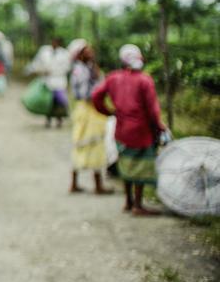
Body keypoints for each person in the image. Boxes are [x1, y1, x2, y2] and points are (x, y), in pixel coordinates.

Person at [91, 44, 169, 216]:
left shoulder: (113, 77)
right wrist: (158, 125)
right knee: (139, 167)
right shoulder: (144, 80)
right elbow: (153, 109)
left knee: (126, 164)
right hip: (141, 131)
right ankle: (138, 205)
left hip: (122, 129)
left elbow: (96, 96)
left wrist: (108, 112)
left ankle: (128, 201)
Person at [66, 39, 112, 195]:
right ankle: (93, 185)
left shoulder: (88, 68)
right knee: (88, 142)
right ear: (79, 54)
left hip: (91, 109)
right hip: (88, 109)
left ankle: (83, 183)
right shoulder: (81, 70)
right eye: (87, 51)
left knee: (93, 143)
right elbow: (85, 94)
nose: (91, 53)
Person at [27, 37, 71, 127]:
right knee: (48, 102)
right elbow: (37, 63)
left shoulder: (64, 54)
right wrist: (40, 70)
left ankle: (59, 119)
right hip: (47, 81)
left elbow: (67, 67)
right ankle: (48, 120)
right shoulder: (44, 51)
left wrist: (53, 71)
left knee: (59, 102)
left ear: (59, 44)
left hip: (59, 81)